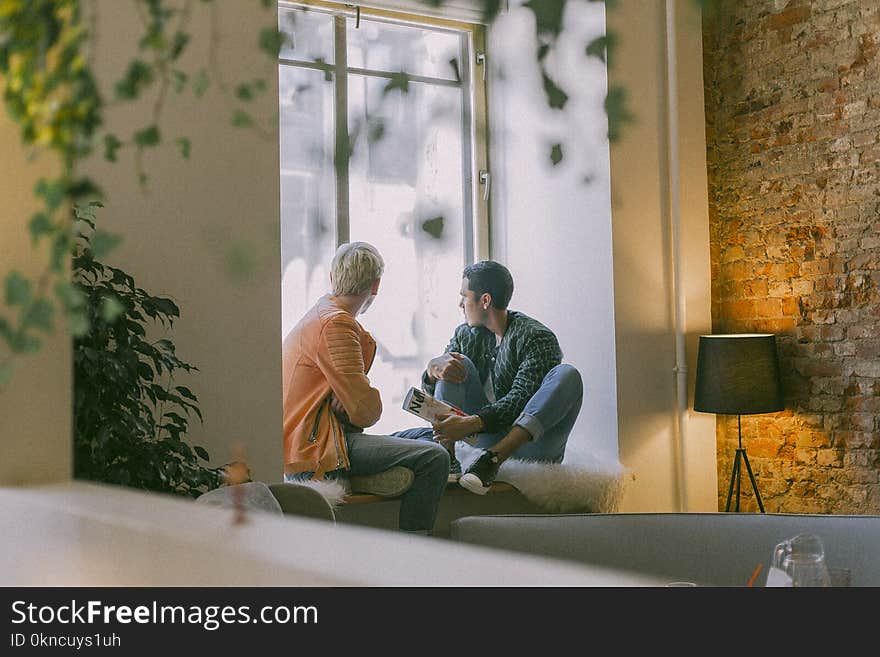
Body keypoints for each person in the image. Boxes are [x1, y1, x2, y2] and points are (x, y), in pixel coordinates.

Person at [282, 242, 450, 533]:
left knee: (430, 436)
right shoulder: (335, 325)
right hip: (317, 448)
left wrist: (346, 397)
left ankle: (366, 474)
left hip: (331, 437)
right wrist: (354, 400)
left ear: (333, 276)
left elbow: (356, 407)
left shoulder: (324, 314)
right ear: (376, 285)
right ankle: (415, 550)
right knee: (436, 458)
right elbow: (368, 412)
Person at [394, 261, 583, 495]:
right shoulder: (466, 334)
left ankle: (492, 460)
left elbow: (519, 400)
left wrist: (471, 423)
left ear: (485, 301)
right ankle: (448, 457)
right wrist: (432, 370)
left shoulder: (536, 337)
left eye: (464, 296)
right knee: (454, 362)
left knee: (568, 375)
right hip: (484, 435)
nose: (460, 304)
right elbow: (436, 396)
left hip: (533, 445)